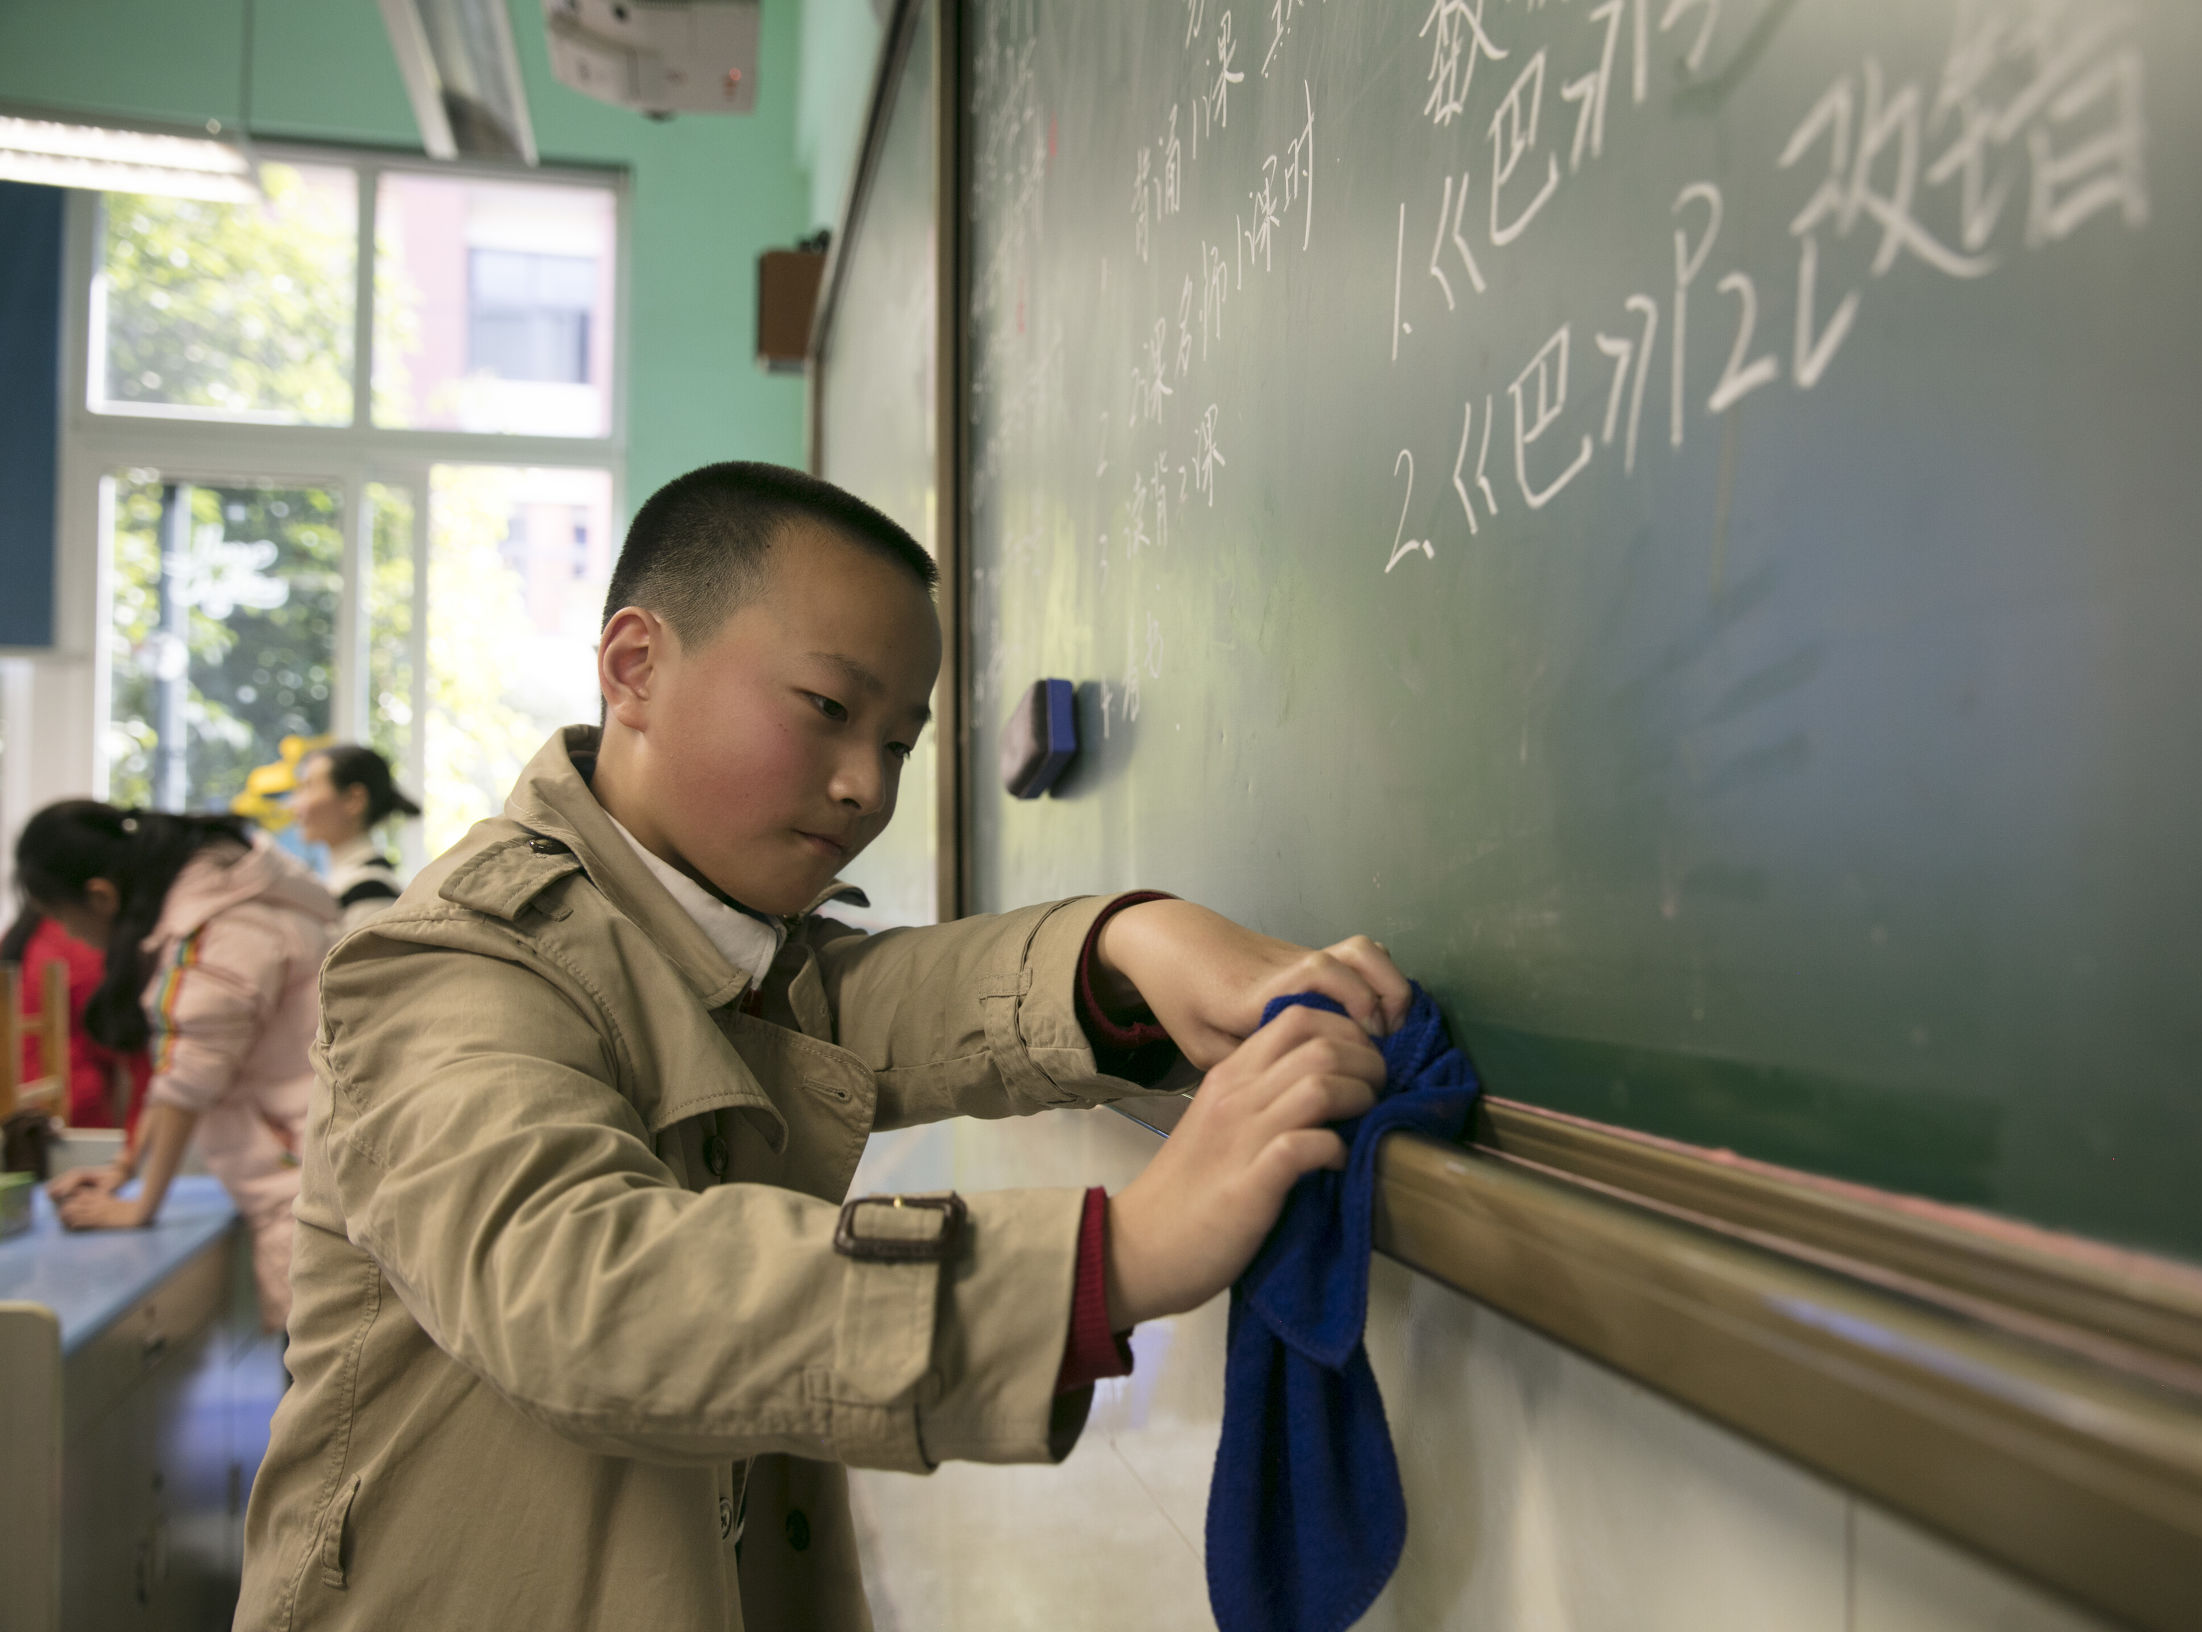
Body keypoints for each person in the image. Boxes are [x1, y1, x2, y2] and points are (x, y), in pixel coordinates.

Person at [236, 462, 1411, 1631]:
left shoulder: (717, 939)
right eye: (827, 711)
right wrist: (1116, 1255)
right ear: (635, 668)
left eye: (901, 744)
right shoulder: (452, 966)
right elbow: (581, 1292)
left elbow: (865, 1003)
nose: (864, 787)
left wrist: (1123, 944)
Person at [21, 802, 340, 1331]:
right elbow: (179, 1067)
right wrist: (125, 1169)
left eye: (63, 919)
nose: (70, 937)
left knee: (322, 1391)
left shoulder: (217, 930)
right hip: (318, 1168)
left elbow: (189, 1079)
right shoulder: (237, 897)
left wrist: (140, 1205)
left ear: (100, 896)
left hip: (308, 1185)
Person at [3, 906, 151, 1129]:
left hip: (20, 1095)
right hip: (68, 1103)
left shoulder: (28, 931)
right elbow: (110, 1030)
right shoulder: (78, 938)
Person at [287, 743, 421, 930]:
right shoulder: (345, 882)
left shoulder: (370, 890)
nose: (294, 804)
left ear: (354, 800)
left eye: (309, 787)